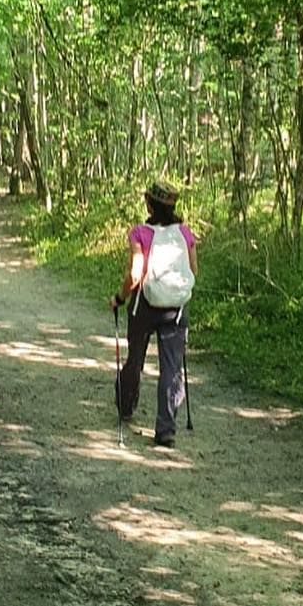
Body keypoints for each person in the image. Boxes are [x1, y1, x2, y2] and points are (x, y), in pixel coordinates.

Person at [111, 180, 198, 447]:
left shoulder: (140, 233)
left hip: (144, 307)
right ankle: (166, 430)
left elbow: (136, 274)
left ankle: (126, 405)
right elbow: (193, 271)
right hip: (176, 309)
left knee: (135, 359)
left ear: (149, 204)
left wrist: (120, 298)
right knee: (171, 368)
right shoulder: (185, 233)